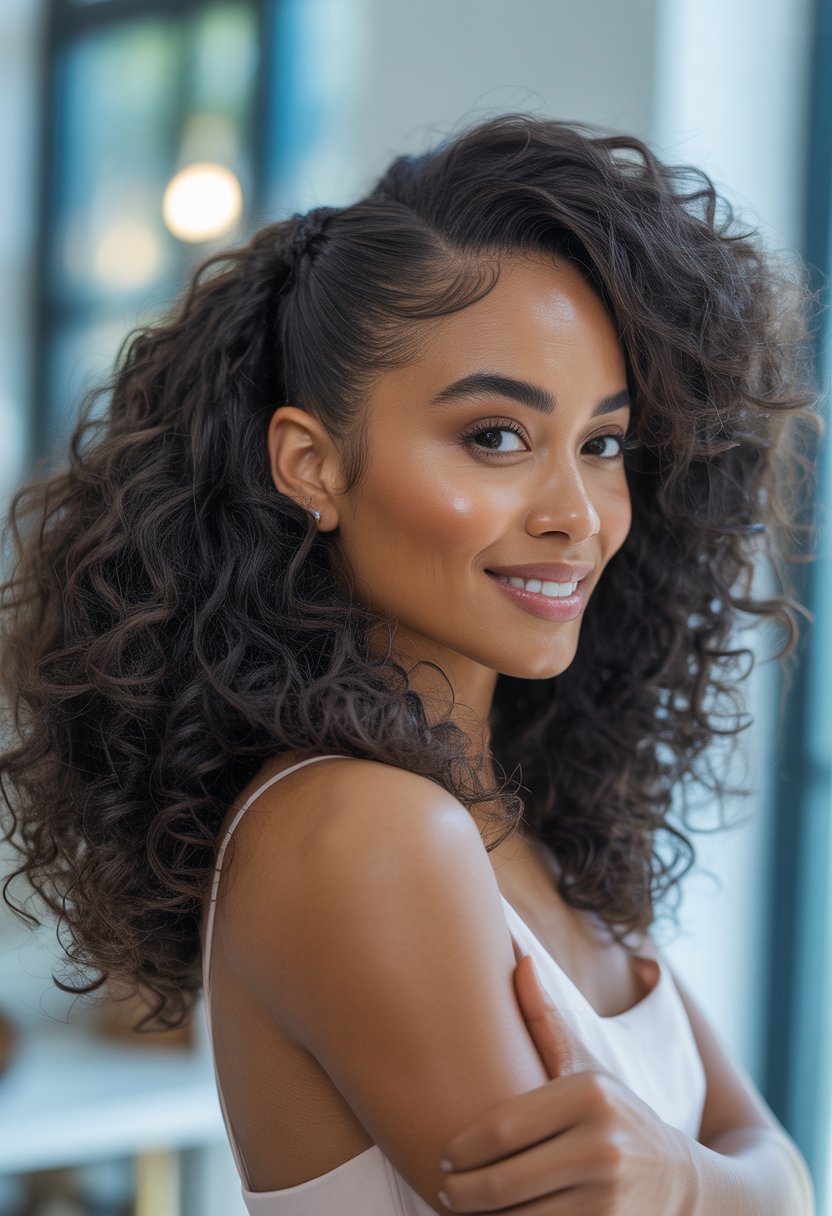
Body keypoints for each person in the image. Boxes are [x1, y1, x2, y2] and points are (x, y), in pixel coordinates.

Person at [0, 114, 822, 1215]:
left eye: (603, 443)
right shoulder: (366, 833)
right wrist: (721, 1186)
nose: (576, 515)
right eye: (495, 436)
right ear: (311, 464)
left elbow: (761, 1146)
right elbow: (763, 1170)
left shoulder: (516, 818)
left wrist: (695, 1180)